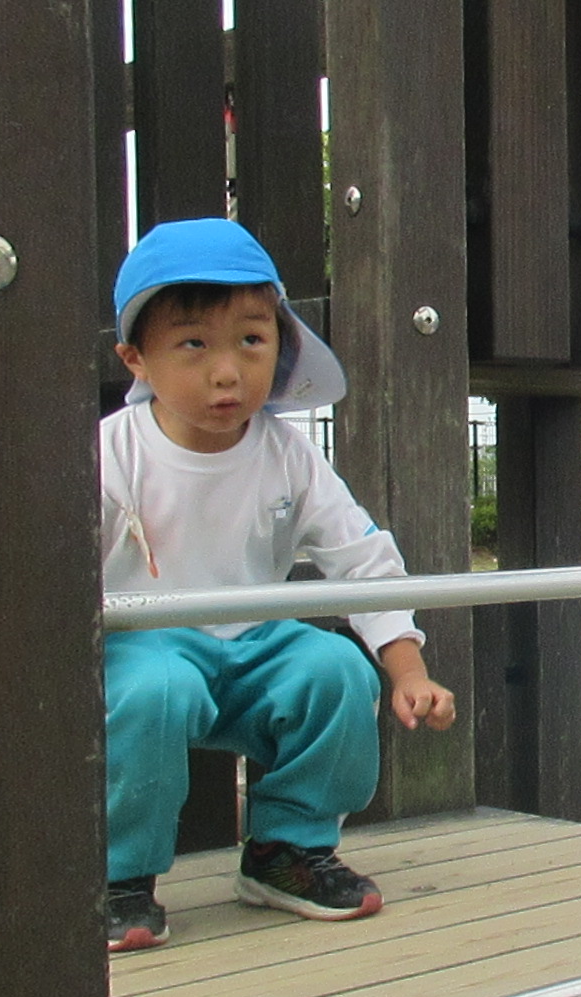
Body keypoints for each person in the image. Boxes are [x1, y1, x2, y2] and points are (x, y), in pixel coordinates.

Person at [100, 220, 457, 953]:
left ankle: (287, 849)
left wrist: (408, 670)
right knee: (157, 689)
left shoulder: (286, 453)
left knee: (332, 670)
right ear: (137, 359)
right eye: (193, 345)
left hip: (252, 646)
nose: (227, 372)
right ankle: (118, 876)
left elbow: (361, 558)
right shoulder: (112, 453)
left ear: (282, 347)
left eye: (251, 341)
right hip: (145, 647)